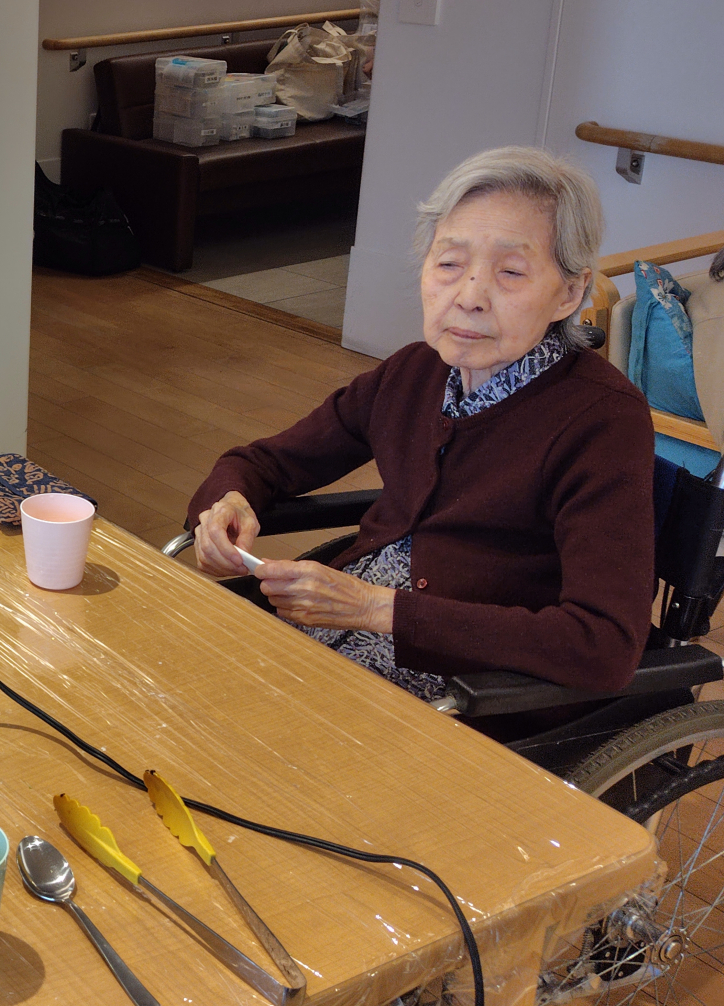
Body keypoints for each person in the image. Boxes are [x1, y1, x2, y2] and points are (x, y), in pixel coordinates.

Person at [188, 146, 654, 702]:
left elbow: (604, 644)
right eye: (449, 264)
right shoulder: (415, 371)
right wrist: (227, 504)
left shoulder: (602, 420)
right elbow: (264, 462)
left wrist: (376, 609)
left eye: (510, 272)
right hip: (324, 641)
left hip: (466, 695)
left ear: (570, 293)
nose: (469, 297)